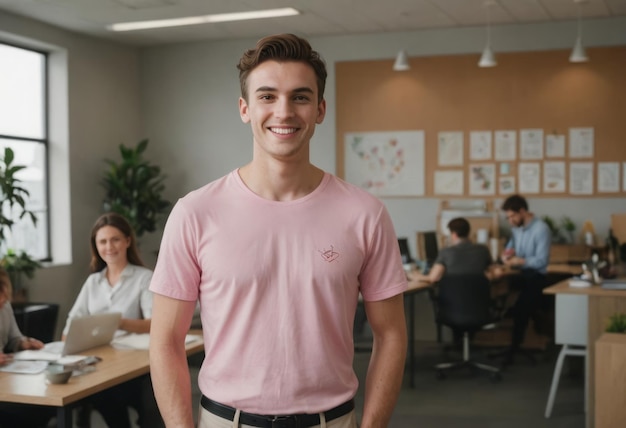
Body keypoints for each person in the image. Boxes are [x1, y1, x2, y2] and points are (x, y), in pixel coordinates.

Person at [149, 33, 408, 428]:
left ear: (320, 109)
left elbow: (390, 335)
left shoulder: (365, 214)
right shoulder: (196, 212)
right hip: (225, 421)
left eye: (300, 97)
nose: (284, 112)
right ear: (245, 109)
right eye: (267, 96)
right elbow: (166, 340)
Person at [63, 212, 154, 428]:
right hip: (101, 361)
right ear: (96, 246)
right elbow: (69, 326)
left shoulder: (144, 277)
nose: (109, 247)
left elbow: (154, 323)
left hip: (135, 364)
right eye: (102, 241)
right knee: (102, 396)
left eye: (115, 239)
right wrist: (73, 337)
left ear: (127, 241)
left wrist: (118, 322)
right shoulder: (93, 282)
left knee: (121, 397)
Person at [500, 194, 551, 364]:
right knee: (498, 291)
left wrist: (520, 261)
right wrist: (507, 254)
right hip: (521, 274)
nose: (510, 221)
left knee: (521, 310)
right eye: (508, 217)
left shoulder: (541, 229)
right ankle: (508, 322)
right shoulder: (517, 228)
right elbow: (511, 247)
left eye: (512, 216)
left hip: (536, 276)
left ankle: (514, 348)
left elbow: (541, 261)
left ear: (522, 211)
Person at [0, 267, 53, 428]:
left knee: (43, 407)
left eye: (4, 300)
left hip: (5, 378)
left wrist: (25, 342)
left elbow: (14, 338)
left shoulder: (5, 306)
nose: (2, 304)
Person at [417, 217, 499, 284]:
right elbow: (494, 271)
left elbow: (433, 278)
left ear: (454, 235)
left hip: (452, 300)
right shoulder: (483, 250)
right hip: (481, 300)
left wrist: (414, 276)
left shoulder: (445, 252)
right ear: (468, 232)